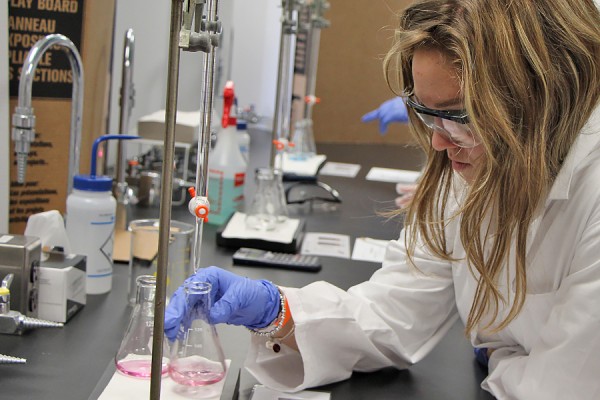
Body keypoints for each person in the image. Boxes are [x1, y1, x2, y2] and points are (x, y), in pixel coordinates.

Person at [165, 0, 600, 398]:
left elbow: (563, 388)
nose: (438, 142)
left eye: (458, 114)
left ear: (542, 92)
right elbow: (392, 315)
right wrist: (276, 311)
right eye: (427, 112)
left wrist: (501, 357)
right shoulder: (476, 160)